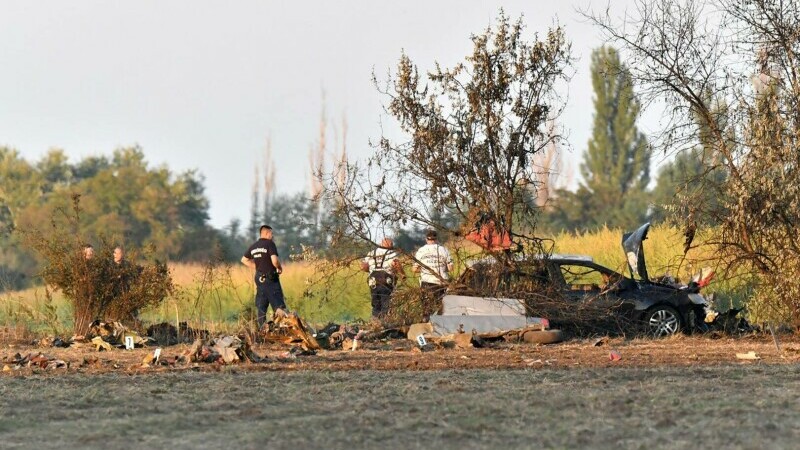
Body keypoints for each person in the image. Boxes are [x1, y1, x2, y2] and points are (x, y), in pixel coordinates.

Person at [241, 224, 287, 329]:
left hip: (259, 278)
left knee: (261, 307)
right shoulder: (270, 244)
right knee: (279, 306)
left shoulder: (254, 246)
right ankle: (284, 329)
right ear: (266, 233)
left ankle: (262, 330)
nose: (272, 235)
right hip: (270, 278)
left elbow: (243, 260)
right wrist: (279, 267)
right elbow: (274, 260)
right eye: (271, 233)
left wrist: (257, 267)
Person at [414, 229, 453, 320]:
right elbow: (451, 268)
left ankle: (427, 326)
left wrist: (425, 269)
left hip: (427, 282)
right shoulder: (444, 250)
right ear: (436, 239)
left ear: (426, 239)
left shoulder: (421, 251)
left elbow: (414, 269)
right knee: (441, 307)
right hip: (442, 282)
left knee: (427, 309)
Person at [361, 237, 401, 321]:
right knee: (386, 304)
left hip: (373, 282)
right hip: (386, 282)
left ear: (381, 244)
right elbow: (396, 264)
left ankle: (374, 323)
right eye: (391, 244)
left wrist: (370, 270)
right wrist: (403, 274)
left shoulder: (372, 253)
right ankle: (384, 323)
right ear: (390, 244)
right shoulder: (391, 253)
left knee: (376, 304)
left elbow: (363, 266)